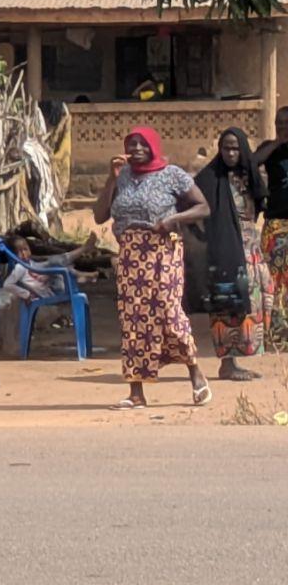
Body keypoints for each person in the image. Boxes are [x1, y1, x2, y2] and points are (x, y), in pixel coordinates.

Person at [92, 127, 212, 410]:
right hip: (131, 255)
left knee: (169, 313)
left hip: (163, 251)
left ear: (153, 146)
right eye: (130, 144)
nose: (135, 149)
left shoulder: (172, 174)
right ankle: (136, 392)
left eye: (141, 144)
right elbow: (99, 216)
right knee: (133, 320)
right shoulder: (122, 177)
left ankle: (195, 372)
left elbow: (204, 207)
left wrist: (174, 219)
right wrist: (111, 177)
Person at [191, 127, 267, 380]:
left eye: (235, 148)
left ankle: (240, 361)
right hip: (224, 251)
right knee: (226, 306)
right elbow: (192, 208)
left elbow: (258, 205)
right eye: (226, 148)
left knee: (250, 306)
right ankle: (227, 364)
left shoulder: (250, 176)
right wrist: (208, 238)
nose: (231, 153)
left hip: (248, 247)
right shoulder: (210, 177)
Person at [257, 107, 288, 349]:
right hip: (276, 224)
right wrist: (277, 143)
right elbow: (252, 162)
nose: (283, 128)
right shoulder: (271, 149)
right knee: (273, 282)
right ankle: (276, 336)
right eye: (279, 124)